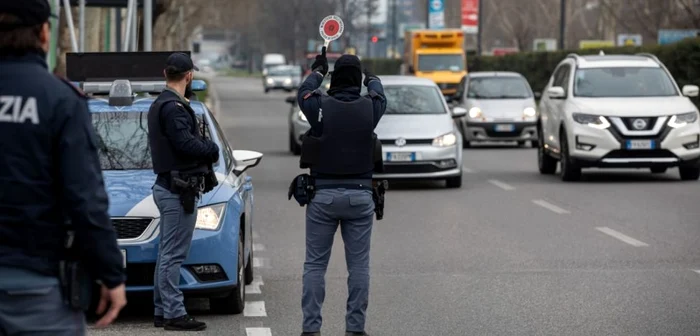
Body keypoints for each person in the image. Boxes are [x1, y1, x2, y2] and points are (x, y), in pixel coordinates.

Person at [0, 1, 127, 334]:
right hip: (35, 286)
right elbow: (85, 199)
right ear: (44, 33)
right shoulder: (59, 100)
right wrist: (110, 273)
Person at [296, 47, 387, 336]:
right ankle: (355, 329)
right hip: (361, 197)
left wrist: (318, 72)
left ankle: (311, 329)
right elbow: (380, 94)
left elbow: (303, 93)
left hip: (322, 196)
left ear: (334, 81)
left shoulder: (320, 107)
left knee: (315, 265)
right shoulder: (370, 108)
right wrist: (371, 78)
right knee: (359, 267)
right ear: (357, 80)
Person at [147, 52, 220, 331]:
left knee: (166, 253)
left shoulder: (163, 103)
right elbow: (185, 144)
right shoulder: (174, 108)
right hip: (178, 190)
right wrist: (211, 149)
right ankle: (174, 314)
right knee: (173, 255)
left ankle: (162, 310)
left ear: (166, 74)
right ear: (188, 76)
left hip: (171, 187)